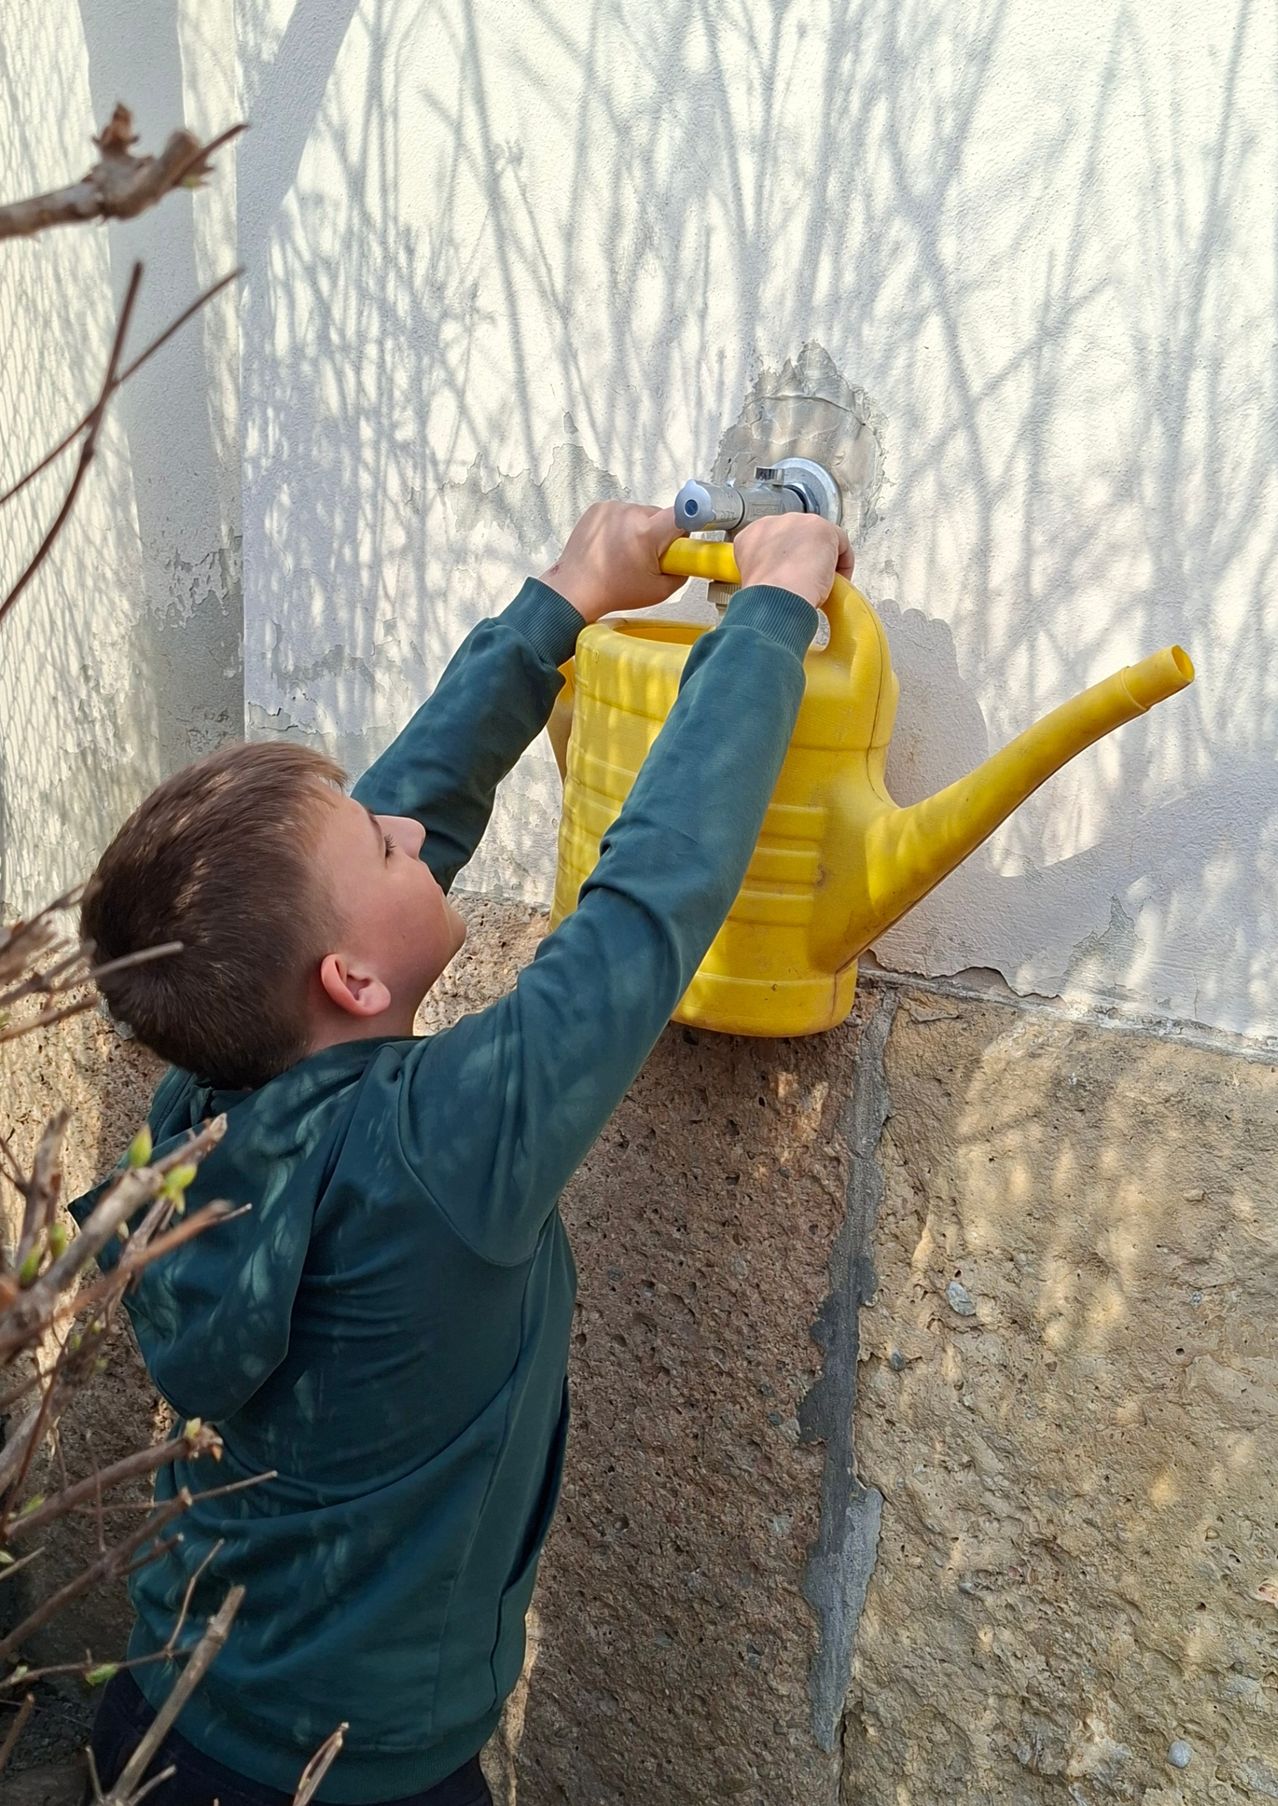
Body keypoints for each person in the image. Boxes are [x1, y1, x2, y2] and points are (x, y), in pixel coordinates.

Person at [72, 501, 851, 1805]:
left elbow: (373, 828)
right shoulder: (440, 1150)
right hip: (349, 1775)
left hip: (164, 1708)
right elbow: (644, 906)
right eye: (382, 848)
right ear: (350, 977)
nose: (412, 829)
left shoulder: (206, 1098)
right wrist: (769, 616)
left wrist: (562, 600)